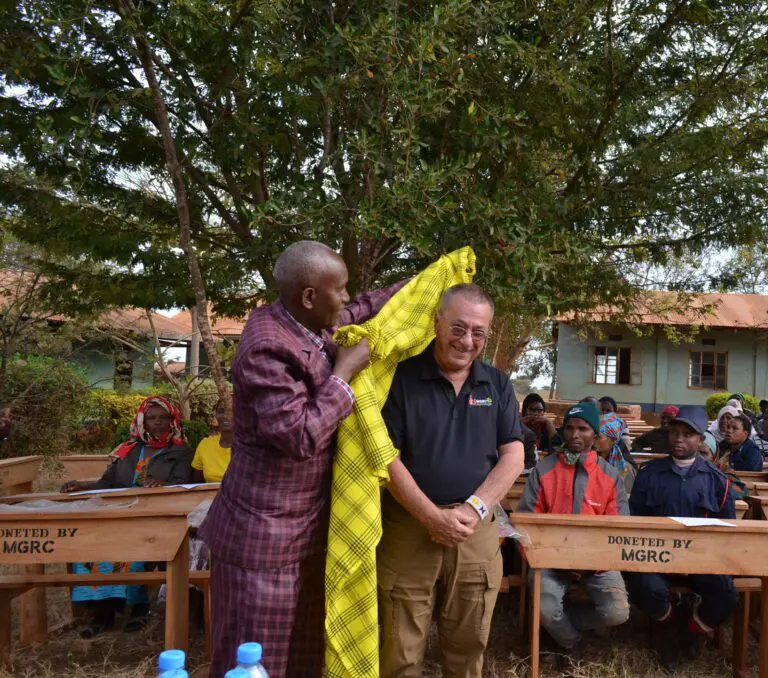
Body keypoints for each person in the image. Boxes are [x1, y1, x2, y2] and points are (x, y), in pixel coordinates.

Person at [200, 241, 402, 678]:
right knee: (254, 664)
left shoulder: (310, 322)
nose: (347, 297)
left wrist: (424, 283)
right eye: (340, 289)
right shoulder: (266, 349)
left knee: (304, 661)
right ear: (309, 296)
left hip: (308, 536)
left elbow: (361, 308)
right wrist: (344, 373)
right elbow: (299, 434)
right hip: (263, 545)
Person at [378, 284, 524, 678]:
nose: (467, 340)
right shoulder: (400, 378)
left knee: (468, 644)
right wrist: (430, 516)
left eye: (478, 332)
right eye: (458, 328)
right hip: (409, 528)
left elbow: (514, 454)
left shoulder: (497, 384)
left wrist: (473, 509)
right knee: (399, 647)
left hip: (474, 531)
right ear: (437, 322)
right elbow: (385, 456)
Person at [61, 396, 193, 638]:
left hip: (153, 517)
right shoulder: (128, 450)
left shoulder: (181, 450)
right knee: (93, 549)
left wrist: (164, 485)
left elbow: (184, 484)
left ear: (172, 421)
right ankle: (102, 614)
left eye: (163, 418)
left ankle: (137, 610)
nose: (157, 422)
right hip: (117, 515)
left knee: (132, 549)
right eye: (151, 418)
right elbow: (108, 482)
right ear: (142, 421)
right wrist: (82, 486)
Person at [517, 401, 630, 664]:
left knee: (617, 613)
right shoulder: (544, 469)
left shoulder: (610, 475)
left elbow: (619, 528)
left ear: (595, 434)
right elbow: (527, 523)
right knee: (545, 607)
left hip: (597, 564)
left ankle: (561, 625)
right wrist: (543, 558)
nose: (574, 435)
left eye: (583, 429)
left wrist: (592, 563)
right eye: (569, 428)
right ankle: (571, 642)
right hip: (549, 561)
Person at [628, 405, 738, 670]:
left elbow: (727, 529)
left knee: (726, 595)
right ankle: (669, 626)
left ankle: (690, 631)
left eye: (687, 434)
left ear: (701, 439)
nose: (678, 439)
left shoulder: (717, 481)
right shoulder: (649, 474)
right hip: (656, 557)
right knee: (642, 586)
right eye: (674, 432)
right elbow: (633, 520)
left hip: (701, 560)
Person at [191, 401, 232, 483]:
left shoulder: (253, 446)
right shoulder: (205, 445)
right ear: (216, 415)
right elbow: (197, 482)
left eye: (232, 411)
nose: (226, 415)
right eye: (221, 411)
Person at [521, 393, 557, 457]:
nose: (536, 413)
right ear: (525, 411)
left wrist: (548, 422)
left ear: (543, 412)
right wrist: (520, 424)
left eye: (540, 410)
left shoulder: (546, 427)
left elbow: (557, 445)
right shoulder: (519, 424)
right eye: (532, 410)